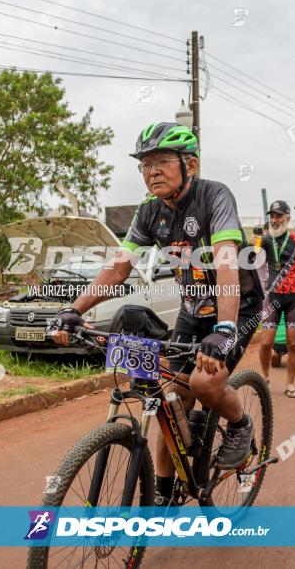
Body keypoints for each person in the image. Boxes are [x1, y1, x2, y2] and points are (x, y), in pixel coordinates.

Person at [51, 122, 265, 506]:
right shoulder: (149, 212)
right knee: (169, 396)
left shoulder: (215, 196)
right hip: (192, 310)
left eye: (163, 161)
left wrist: (226, 329)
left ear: (191, 165)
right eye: (145, 165)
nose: (152, 171)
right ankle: (165, 492)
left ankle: (240, 424)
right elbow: (118, 269)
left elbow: (227, 264)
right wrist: (73, 309)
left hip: (237, 306)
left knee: (203, 384)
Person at [258, 200, 295, 398]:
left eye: (279, 216)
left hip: (293, 299)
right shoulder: (265, 241)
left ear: (288, 218)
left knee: (293, 343)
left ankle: (290, 384)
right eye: (272, 216)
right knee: (266, 342)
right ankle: (264, 378)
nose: (275, 220)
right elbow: (253, 263)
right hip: (272, 297)